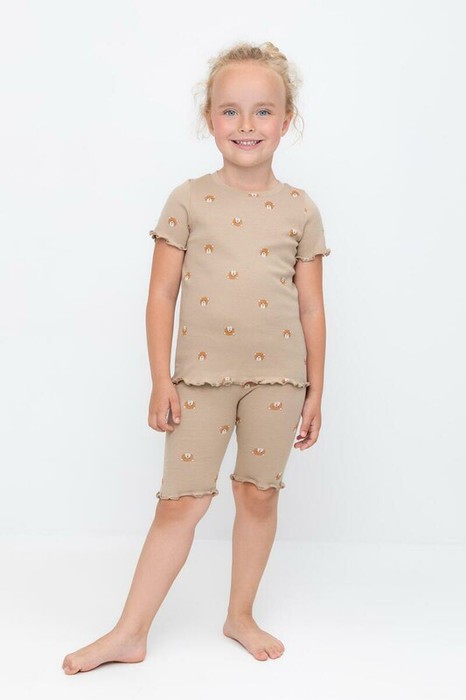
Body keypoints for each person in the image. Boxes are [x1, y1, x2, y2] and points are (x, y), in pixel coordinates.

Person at [62, 40, 331, 674]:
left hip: (278, 380)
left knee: (258, 495)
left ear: (286, 119)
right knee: (180, 502)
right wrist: (161, 379)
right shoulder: (187, 200)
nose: (246, 125)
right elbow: (160, 294)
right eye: (230, 110)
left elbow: (312, 307)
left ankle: (240, 615)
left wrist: (316, 390)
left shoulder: (301, 208)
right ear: (209, 118)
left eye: (262, 111)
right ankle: (129, 632)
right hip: (201, 379)